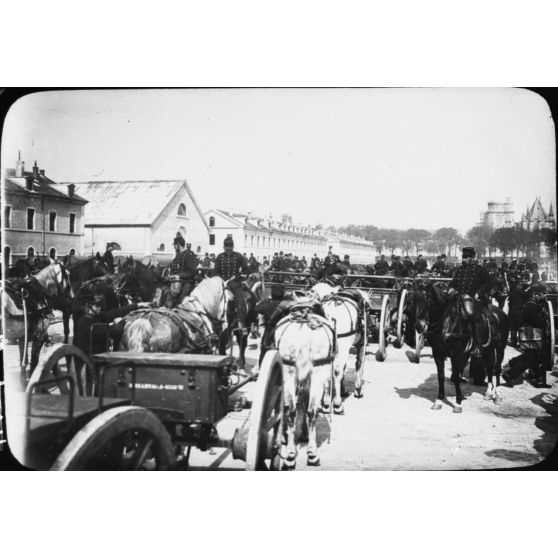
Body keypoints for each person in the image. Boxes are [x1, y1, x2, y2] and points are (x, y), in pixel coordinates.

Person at [448, 246, 493, 356]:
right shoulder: (460, 270)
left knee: (475, 317)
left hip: (474, 299)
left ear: (473, 258)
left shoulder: (479, 270)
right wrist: (451, 288)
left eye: (467, 257)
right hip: (460, 298)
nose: (464, 259)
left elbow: (489, 282)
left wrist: (479, 293)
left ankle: (478, 346)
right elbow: (454, 282)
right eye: (463, 257)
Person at [73, 293, 151, 357]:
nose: (100, 308)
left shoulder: (91, 318)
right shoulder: (87, 323)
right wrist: (123, 321)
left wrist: (137, 305)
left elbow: (114, 313)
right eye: (97, 306)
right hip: (91, 361)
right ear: (88, 307)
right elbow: (114, 331)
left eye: (100, 305)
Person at [502, 284, 550, 388]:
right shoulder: (532, 305)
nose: (544, 297)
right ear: (536, 294)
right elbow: (538, 322)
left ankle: (514, 363)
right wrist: (545, 322)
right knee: (530, 357)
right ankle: (510, 374)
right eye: (542, 294)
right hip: (532, 335)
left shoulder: (530, 304)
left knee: (531, 356)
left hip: (530, 334)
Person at [213, 237, 249, 333]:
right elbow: (215, 272)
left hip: (235, 283)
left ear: (233, 247)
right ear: (224, 247)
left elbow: (246, 270)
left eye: (230, 249)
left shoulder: (238, 256)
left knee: (241, 303)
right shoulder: (219, 257)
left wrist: (237, 277)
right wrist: (220, 279)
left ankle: (243, 324)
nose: (228, 251)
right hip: (222, 283)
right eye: (226, 249)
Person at [169, 235, 199, 300]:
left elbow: (192, 272)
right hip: (176, 281)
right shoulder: (178, 255)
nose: (174, 246)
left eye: (174, 245)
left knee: (182, 298)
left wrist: (179, 275)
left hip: (187, 281)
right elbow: (172, 267)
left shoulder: (189, 254)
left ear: (178, 245)